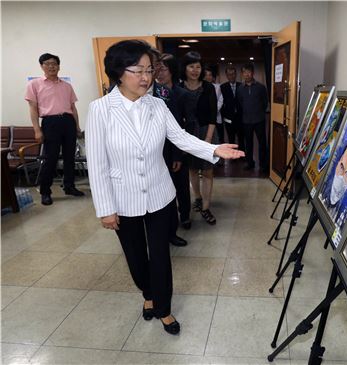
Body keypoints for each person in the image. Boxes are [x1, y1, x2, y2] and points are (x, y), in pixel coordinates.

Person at [86, 40, 243, 335]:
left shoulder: (158, 105)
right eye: (138, 71)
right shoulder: (100, 110)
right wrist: (105, 209)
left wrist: (213, 149)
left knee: (160, 255)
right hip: (123, 197)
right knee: (135, 258)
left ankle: (164, 308)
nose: (146, 77)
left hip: (160, 194)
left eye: (150, 70)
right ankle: (148, 293)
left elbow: (181, 138)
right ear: (119, 72)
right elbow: (97, 164)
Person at [25, 53, 85, 205]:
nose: (51, 66)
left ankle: (69, 186)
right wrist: (37, 130)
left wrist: (77, 126)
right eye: (47, 63)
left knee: (69, 157)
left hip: (68, 121)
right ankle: (45, 191)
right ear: (42, 66)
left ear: (59, 66)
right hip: (50, 123)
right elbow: (32, 109)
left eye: (54, 63)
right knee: (50, 158)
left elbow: (73, 107)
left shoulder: (66, 86)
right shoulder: (35, 85)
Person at [152, 53, 191, 247]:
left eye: (163, 68)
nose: (158, 72)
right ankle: (163, 229)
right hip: (154, 151)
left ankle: (182, 220)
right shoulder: (148, 92)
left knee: (179, 188)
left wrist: (179, 154)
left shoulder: (181, 94)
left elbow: (183, 127)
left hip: (174, 150)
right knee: (161, 193)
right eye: (155, 68)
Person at [180, 52, 219, 225]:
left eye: (198, 66)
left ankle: (206, 207)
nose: (195, 70)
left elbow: (212, 116)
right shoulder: (179, 87)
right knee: (193, 169)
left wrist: (207, 141)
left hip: (206, 132)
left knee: (208, 171)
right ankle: (197, 197)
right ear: (185, 68)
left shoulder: (208, 87)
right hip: (187, 134)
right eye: (191, 66)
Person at [237, 63, 269, 172]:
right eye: (244, 72)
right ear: (242, 74)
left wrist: (259, 111)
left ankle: (263, 164)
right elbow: (240, 103)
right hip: (246, 120)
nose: (246, 74)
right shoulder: (240, 89)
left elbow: (265, 103)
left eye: (248, 72)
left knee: (262, 143)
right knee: (248, 143)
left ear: (253, 73)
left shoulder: (261, 87)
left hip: (259, 119)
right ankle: (250, 162)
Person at [220, 65, 243, 149]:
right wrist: (223, 116)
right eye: (229, 74)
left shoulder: (241, 86)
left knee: (241, 137)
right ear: (226, 76)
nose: (231, 76)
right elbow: (221, 103)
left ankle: (241, 155)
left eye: (233, 74)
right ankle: (233, 156)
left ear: (236, 74)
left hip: (240, 117)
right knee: (231, 138)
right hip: (228, 118)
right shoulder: (222, 87)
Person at [203, 66, 224, 145]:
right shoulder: (201, 87)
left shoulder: (218, 87)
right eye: (206, 75)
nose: (208, 77)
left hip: (217, 116)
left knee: (219, 138)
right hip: (205, 118)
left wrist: (214, 110)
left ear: (213, 77)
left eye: (210, 75)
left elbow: (221, 100)